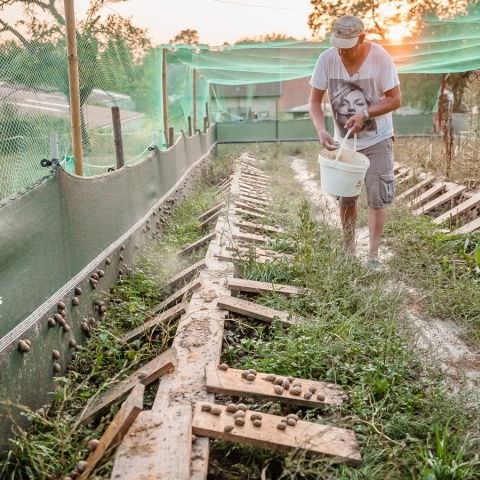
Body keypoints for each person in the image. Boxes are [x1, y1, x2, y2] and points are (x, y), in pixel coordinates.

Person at [309, 15, 401, 271]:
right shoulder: (327, 59)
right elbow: (315, 101)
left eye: (347, 47)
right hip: (345, 143)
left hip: (378, 139)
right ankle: (349, 251)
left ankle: (373, 256)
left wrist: (366, 113)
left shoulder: (380, 58)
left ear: (361, 39)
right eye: (338, 45)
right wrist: (321, 130)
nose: (341, 52)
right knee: (346, 198)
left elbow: (395, 99)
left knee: (377, 197)